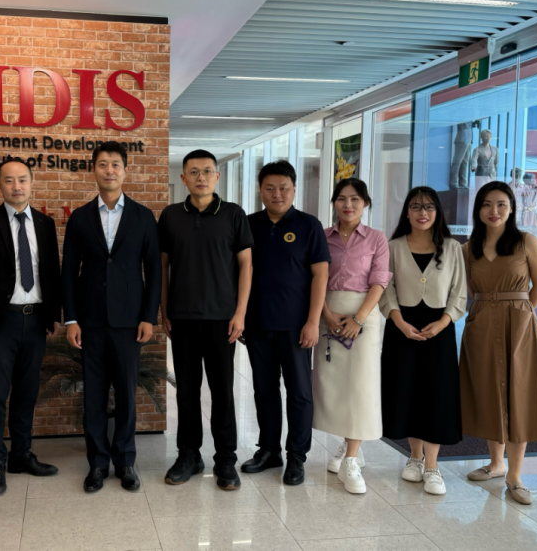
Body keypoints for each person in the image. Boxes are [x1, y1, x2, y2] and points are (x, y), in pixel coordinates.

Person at [62, 141, 161, 493]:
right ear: (94, 170)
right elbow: (68, 271)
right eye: (102, 164)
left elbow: (154, 270)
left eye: (115, 164)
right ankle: (98, 463)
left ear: (125, 170)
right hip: (89, 322)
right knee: (94, 396)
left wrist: (149, 317)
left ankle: (125, 461)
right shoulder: (79, 217)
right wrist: (71, 319)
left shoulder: (143, 216)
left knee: (127, 395)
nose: (109, 170)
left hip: (129, 322)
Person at [0, 158, 62, 496]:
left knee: (26, 393)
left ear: (31, 183)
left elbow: (51, 272)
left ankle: (21, 455)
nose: (16, 186)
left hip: (35, 321)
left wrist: (52, 315)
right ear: (0, 184)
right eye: (9, 180)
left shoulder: (46, 223)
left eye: (22, 180)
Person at [159, 150, 253, 490]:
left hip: (221, 319)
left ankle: (226, 459)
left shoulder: (233, 214)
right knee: (186, 391)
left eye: (208, 171)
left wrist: (240, 312)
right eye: (194, 172)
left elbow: (246, 265)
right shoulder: (171, 216)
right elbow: (163, 266)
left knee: (222, 392)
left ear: (217, 177)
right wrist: (164, 309)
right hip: (182, 318)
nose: (201, 177)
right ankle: (189, 455)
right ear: (183, 178)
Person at [461, 181, 537, 505]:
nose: (494, 210)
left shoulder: (526, 241)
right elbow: (471, 290)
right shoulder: (469, 248)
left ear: (512, 208)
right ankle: (496, 463)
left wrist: (521, 313)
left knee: (519, 394)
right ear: (478, 210)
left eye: (501, 204)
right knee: (489, 391)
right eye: (487, 204)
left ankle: (515, 475)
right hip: (481, 325)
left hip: (520, 325)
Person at [241, 161, 329, 486]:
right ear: (260, 190)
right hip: (258, 324)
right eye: (270, 188)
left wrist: (313, 321)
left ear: (294, 189)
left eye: (283, 188)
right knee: (264, 391)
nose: (277, 194)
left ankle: (296, 456)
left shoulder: (309, 225)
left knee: (299, 393)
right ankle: (269, 450)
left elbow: (320, 275)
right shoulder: (249, 224)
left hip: (296, 327)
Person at [380, 186, 466, 496]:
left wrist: (443, 323)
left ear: (437, 212)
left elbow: (459, 292)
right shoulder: (393, 247)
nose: (422, 212)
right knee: (406, 392)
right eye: (416, 207)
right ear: (407, 212)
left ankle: (432, 465)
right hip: (401, 328)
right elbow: (385, 289)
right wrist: (398, 321)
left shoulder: (452, 248)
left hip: (439, 330)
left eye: (429, 207)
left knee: (436, 394)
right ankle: (414, 458)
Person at [312, 178, 391, 495]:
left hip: (364, 315)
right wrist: (326, 315)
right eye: (342, 199)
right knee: (333, 387)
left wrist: (358, 319)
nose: (348, 205)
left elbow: (379, 281)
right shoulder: (322, 236)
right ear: (334, 202)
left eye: (355, 199)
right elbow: (314, 278)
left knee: (360, 386)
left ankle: (352, 459)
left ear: (366, 203)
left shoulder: (377, 238)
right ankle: (347, 445)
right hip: (327, 314)